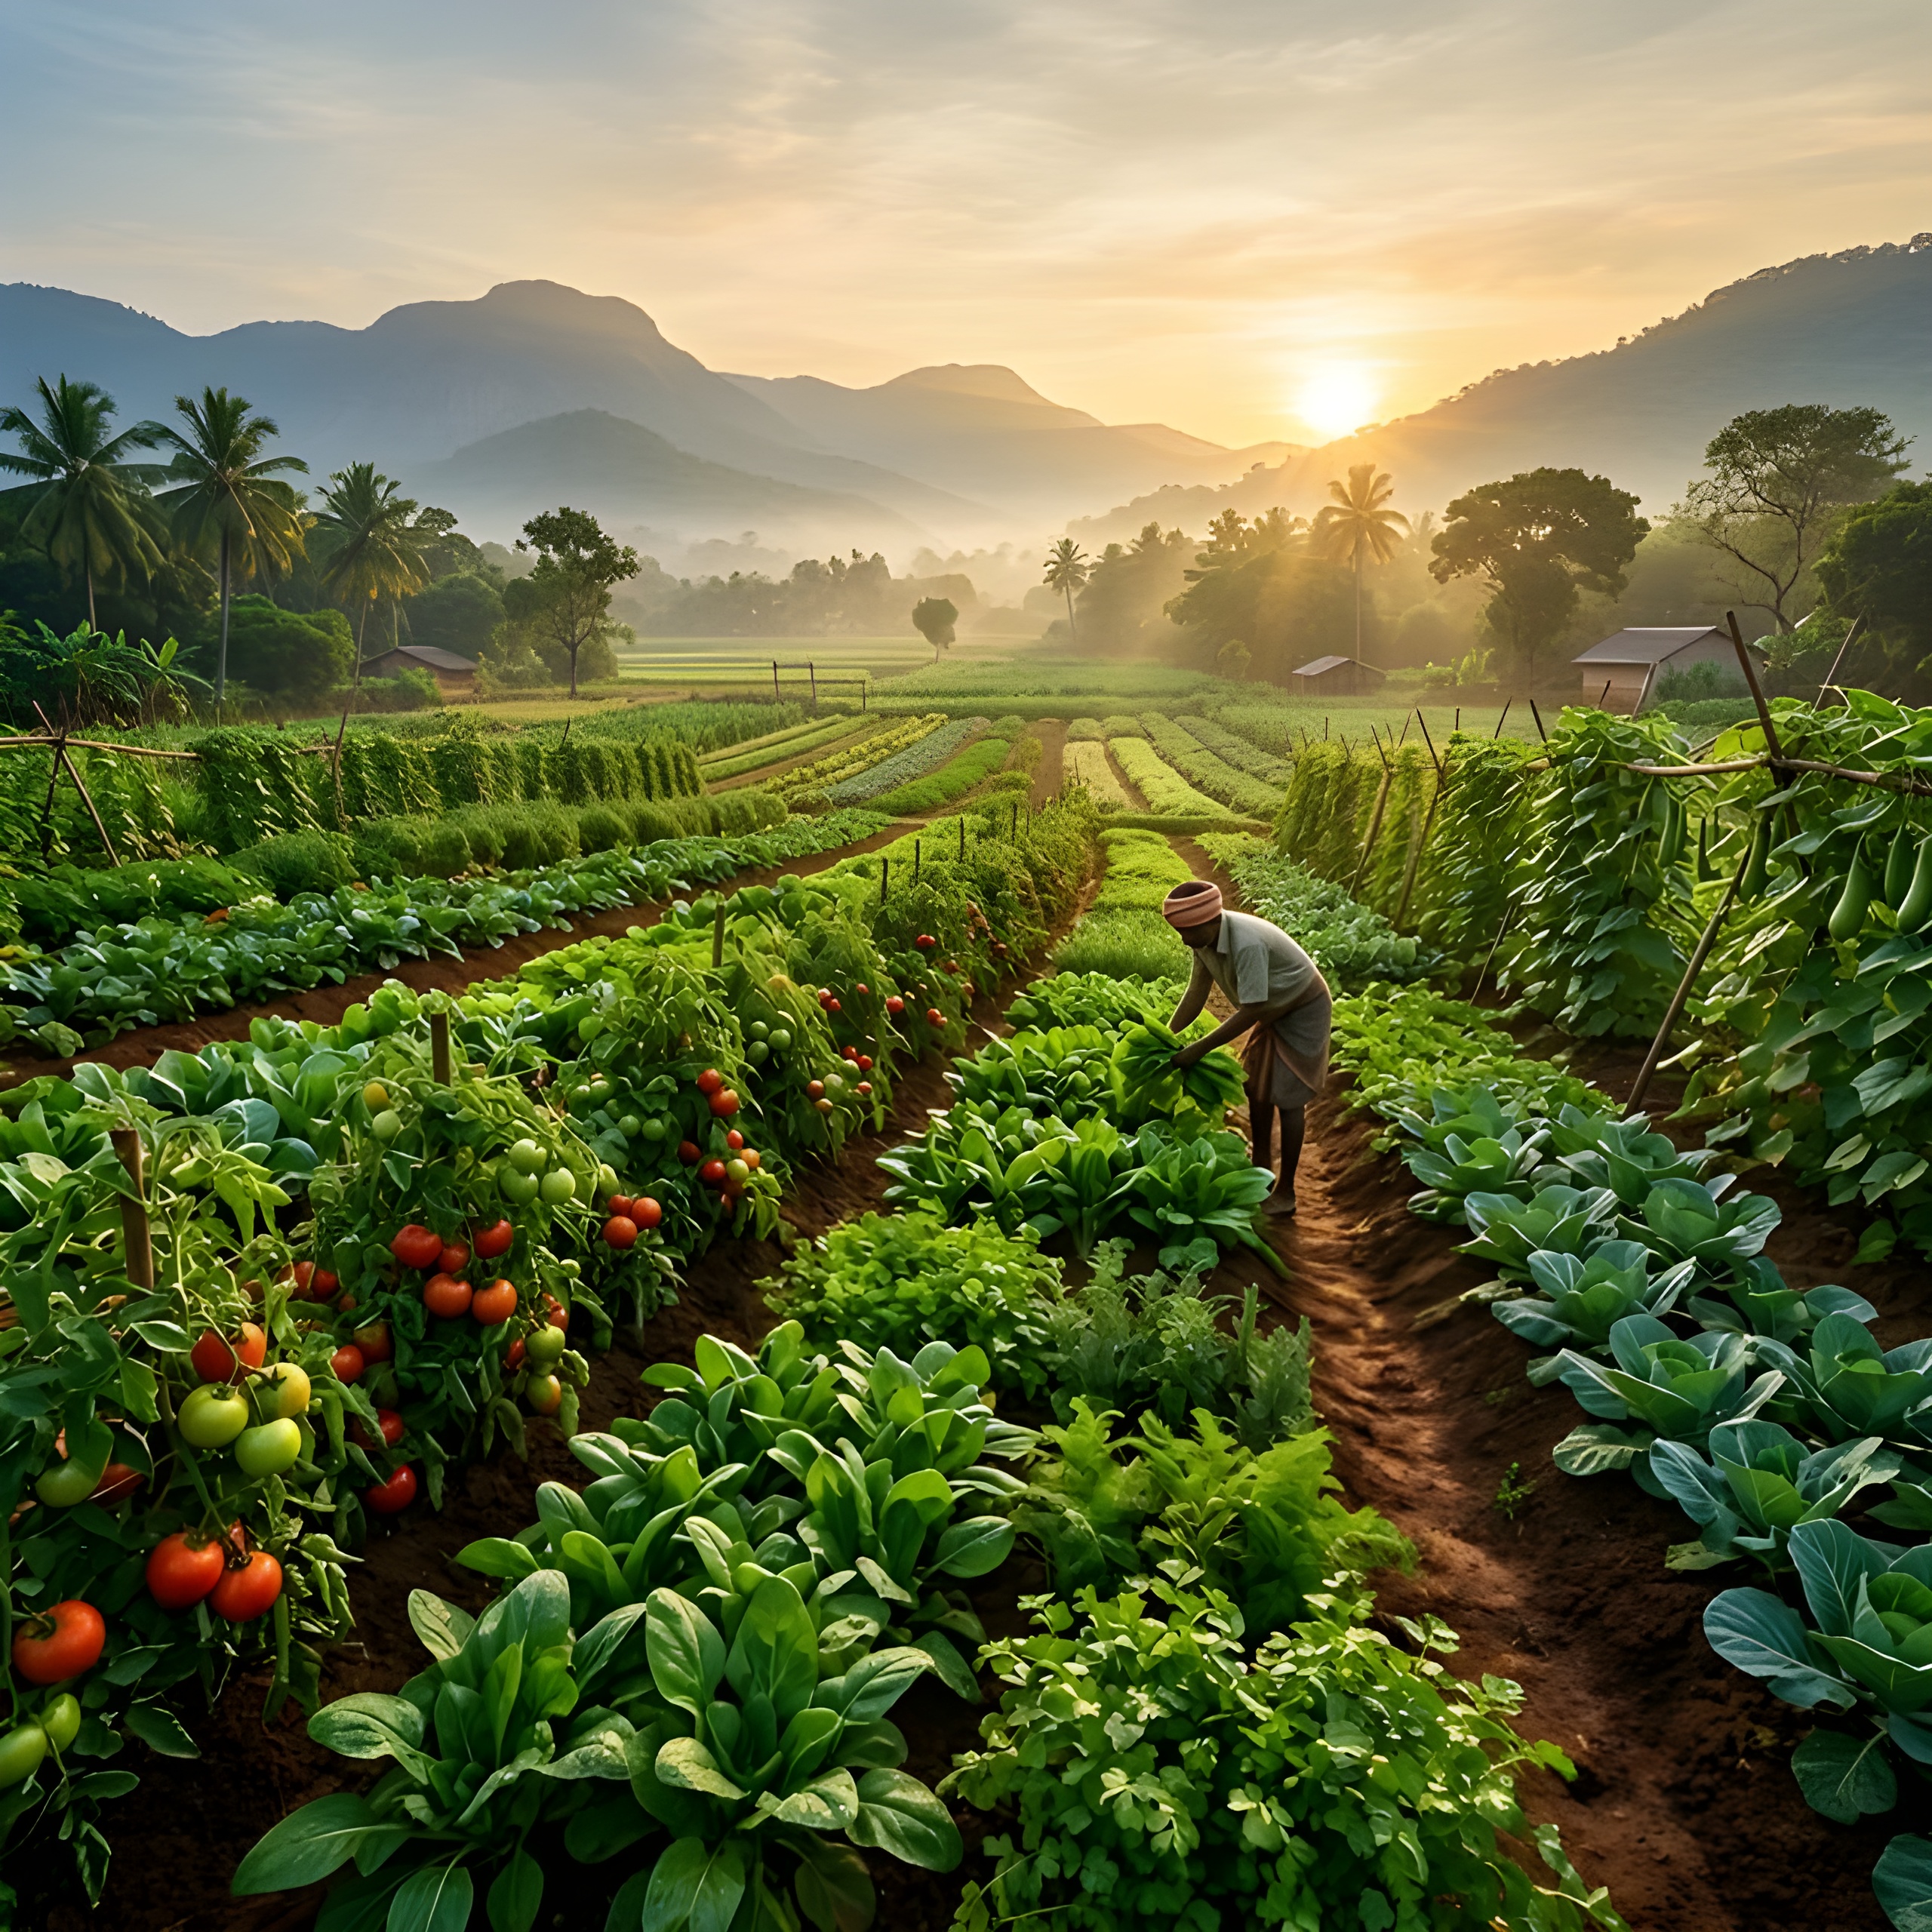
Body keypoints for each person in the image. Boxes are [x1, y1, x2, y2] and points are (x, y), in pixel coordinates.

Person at [1160, 878, 1331, 1217]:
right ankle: (1261, 1168)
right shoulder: (1204, 943)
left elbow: (1251, 1010)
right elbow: (1196, 994)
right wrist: (1165, 1036)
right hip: (1273, 1008)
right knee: (1257, 1086)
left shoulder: (1247, 943)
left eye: (1187, 932)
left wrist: (1197, 1049)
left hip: (1302, 1007)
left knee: (1290, 1097)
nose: (1184, 940)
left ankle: (1286, 1192)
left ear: (1210, 922)